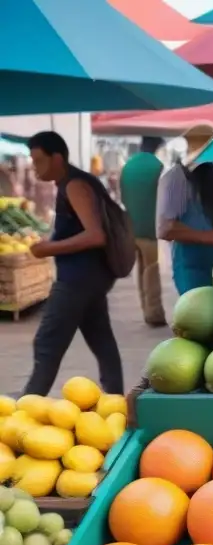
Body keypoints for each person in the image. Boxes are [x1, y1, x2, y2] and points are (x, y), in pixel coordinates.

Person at [21, 132, 123, 397]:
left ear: (57, 157)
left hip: (78, 280)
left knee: (47, 342)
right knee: (102, 341)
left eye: (38, 160)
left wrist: (47, 248)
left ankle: (26, 406)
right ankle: (116, 401)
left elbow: (95, 235)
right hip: (90, 278)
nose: (35, 167)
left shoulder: (75, 185)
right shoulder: (72, 183)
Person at [156, 126, 213, 295]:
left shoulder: (211, 176)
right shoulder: (176, 177)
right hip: (192, 267)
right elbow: (165, 229)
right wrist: (210, 237)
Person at [120, 136, 166, 326]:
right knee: (151, 270)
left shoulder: (128, 166)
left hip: (131, 227)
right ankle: (154, 313)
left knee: (141, 269)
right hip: (150, 227)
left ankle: (145, 309)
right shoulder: (158, 167)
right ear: (157, 147)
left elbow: (121, 195)